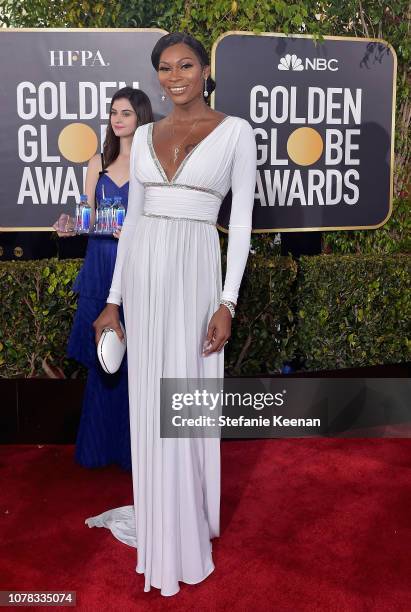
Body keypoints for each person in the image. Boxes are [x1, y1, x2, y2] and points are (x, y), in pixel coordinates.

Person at [86, 33, 257, 596]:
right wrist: (114, 301)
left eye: (185, 65)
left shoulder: (236, 133)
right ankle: (160, 518)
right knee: (151, 402)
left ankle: (191, 522)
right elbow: (132, 223)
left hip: (195, 277)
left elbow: (242, 231)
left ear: (205, 69)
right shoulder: (146, 134)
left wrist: (227, 302)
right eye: (164, 68)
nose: (174, 75)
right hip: (146, 279)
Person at [54, 87, 154, 471]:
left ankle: (135, 456)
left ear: (140, 117)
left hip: (136, 266)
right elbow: (85, 214)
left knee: (137, 361)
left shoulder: (151, 163)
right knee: (103, 360)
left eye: (126, 113)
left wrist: (134, 231)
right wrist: (70, 224)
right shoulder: (98, 160)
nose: (117, 119)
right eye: (114, 112)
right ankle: (96, 451)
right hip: (100, 265)